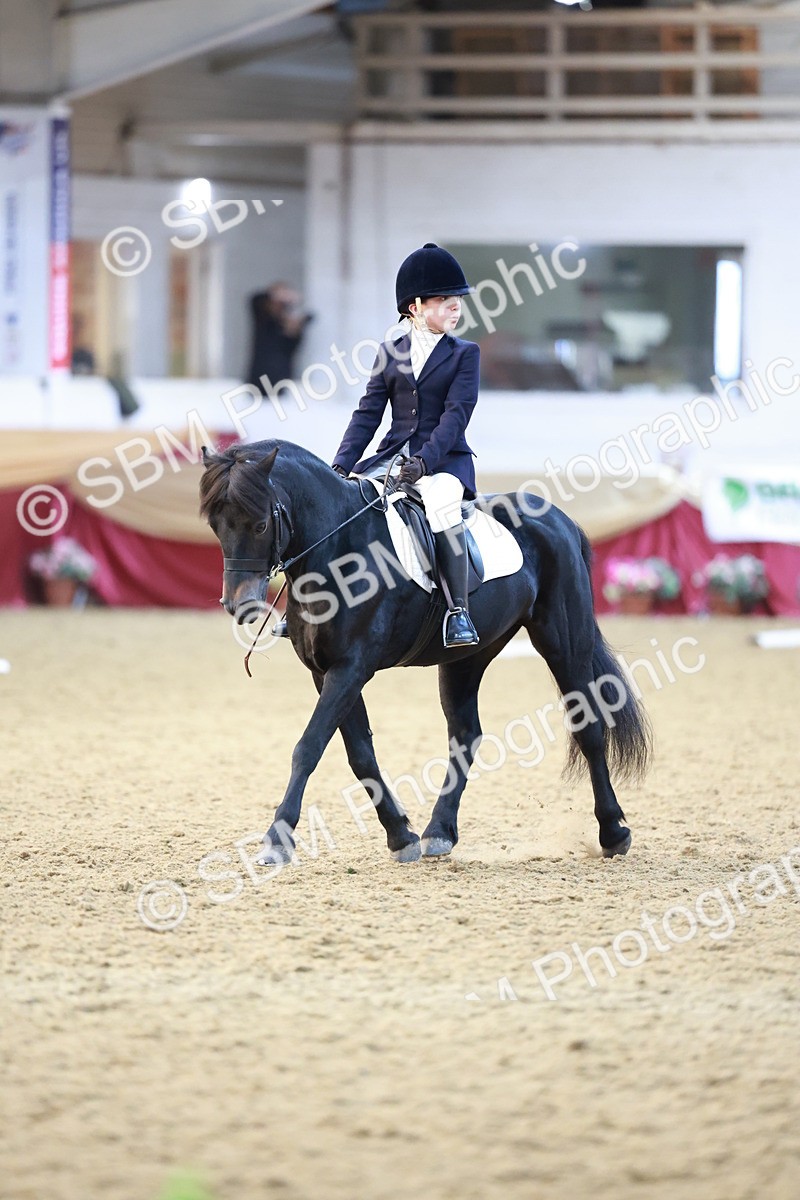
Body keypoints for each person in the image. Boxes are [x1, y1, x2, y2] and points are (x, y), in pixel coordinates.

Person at [275, 242, 481, 648]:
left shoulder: (464, 354)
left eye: (457, 300)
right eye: (445, 300)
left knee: (439, 508)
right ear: (416, 306)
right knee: (339, 508)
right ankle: (300, 606)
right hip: (390, 458)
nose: (456, 307)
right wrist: (340, 466)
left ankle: (458, 612)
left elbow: (457, 414)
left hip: (444, 463)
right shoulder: (390, 354)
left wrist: (424, 462)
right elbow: (368, 414)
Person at [246, 282, 312, 389]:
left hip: (280, 383)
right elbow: (257, 299)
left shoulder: (287, 324)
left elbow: (291, 349)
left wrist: (294, 329)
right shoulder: (263, 318)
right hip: (257, 381)